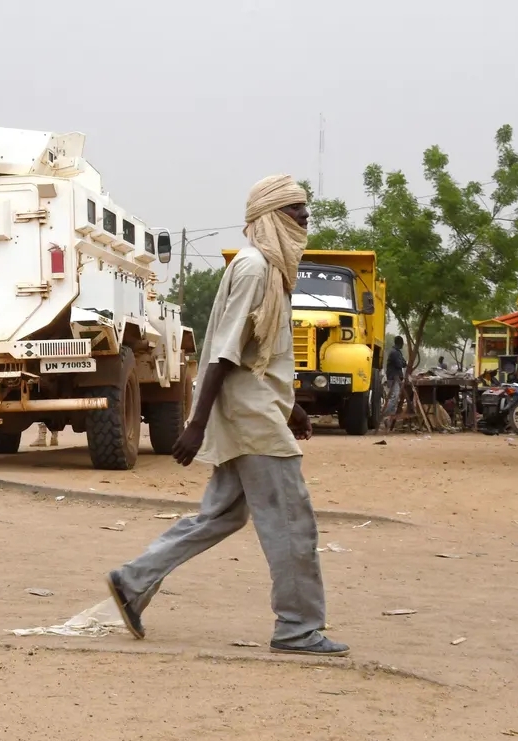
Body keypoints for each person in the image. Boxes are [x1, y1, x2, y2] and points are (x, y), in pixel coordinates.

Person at [104, 175, 349, 658]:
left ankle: (133, 581)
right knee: (291, 521)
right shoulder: (257, 269)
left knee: (221, 515)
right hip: (253, 421)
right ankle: (298, 628)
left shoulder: (270, 270)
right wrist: (195, 423)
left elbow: (258, 358)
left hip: (256, 411)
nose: (305, 217)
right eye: (295, 208)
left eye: (304, 207)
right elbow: (224, 352)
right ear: (271, 217)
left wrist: (292, 406)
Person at [384, 336, 407, 416]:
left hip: (396, 377)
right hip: (393, 377)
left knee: (394, 396)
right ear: (400, 343)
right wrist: (403, 363)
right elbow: (400, 364)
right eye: (402, 343)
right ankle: (388, 414)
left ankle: (391, 414)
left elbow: (404, 363)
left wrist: (403, 362)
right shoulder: (394, 352)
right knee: (394, 395)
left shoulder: (398, 352)